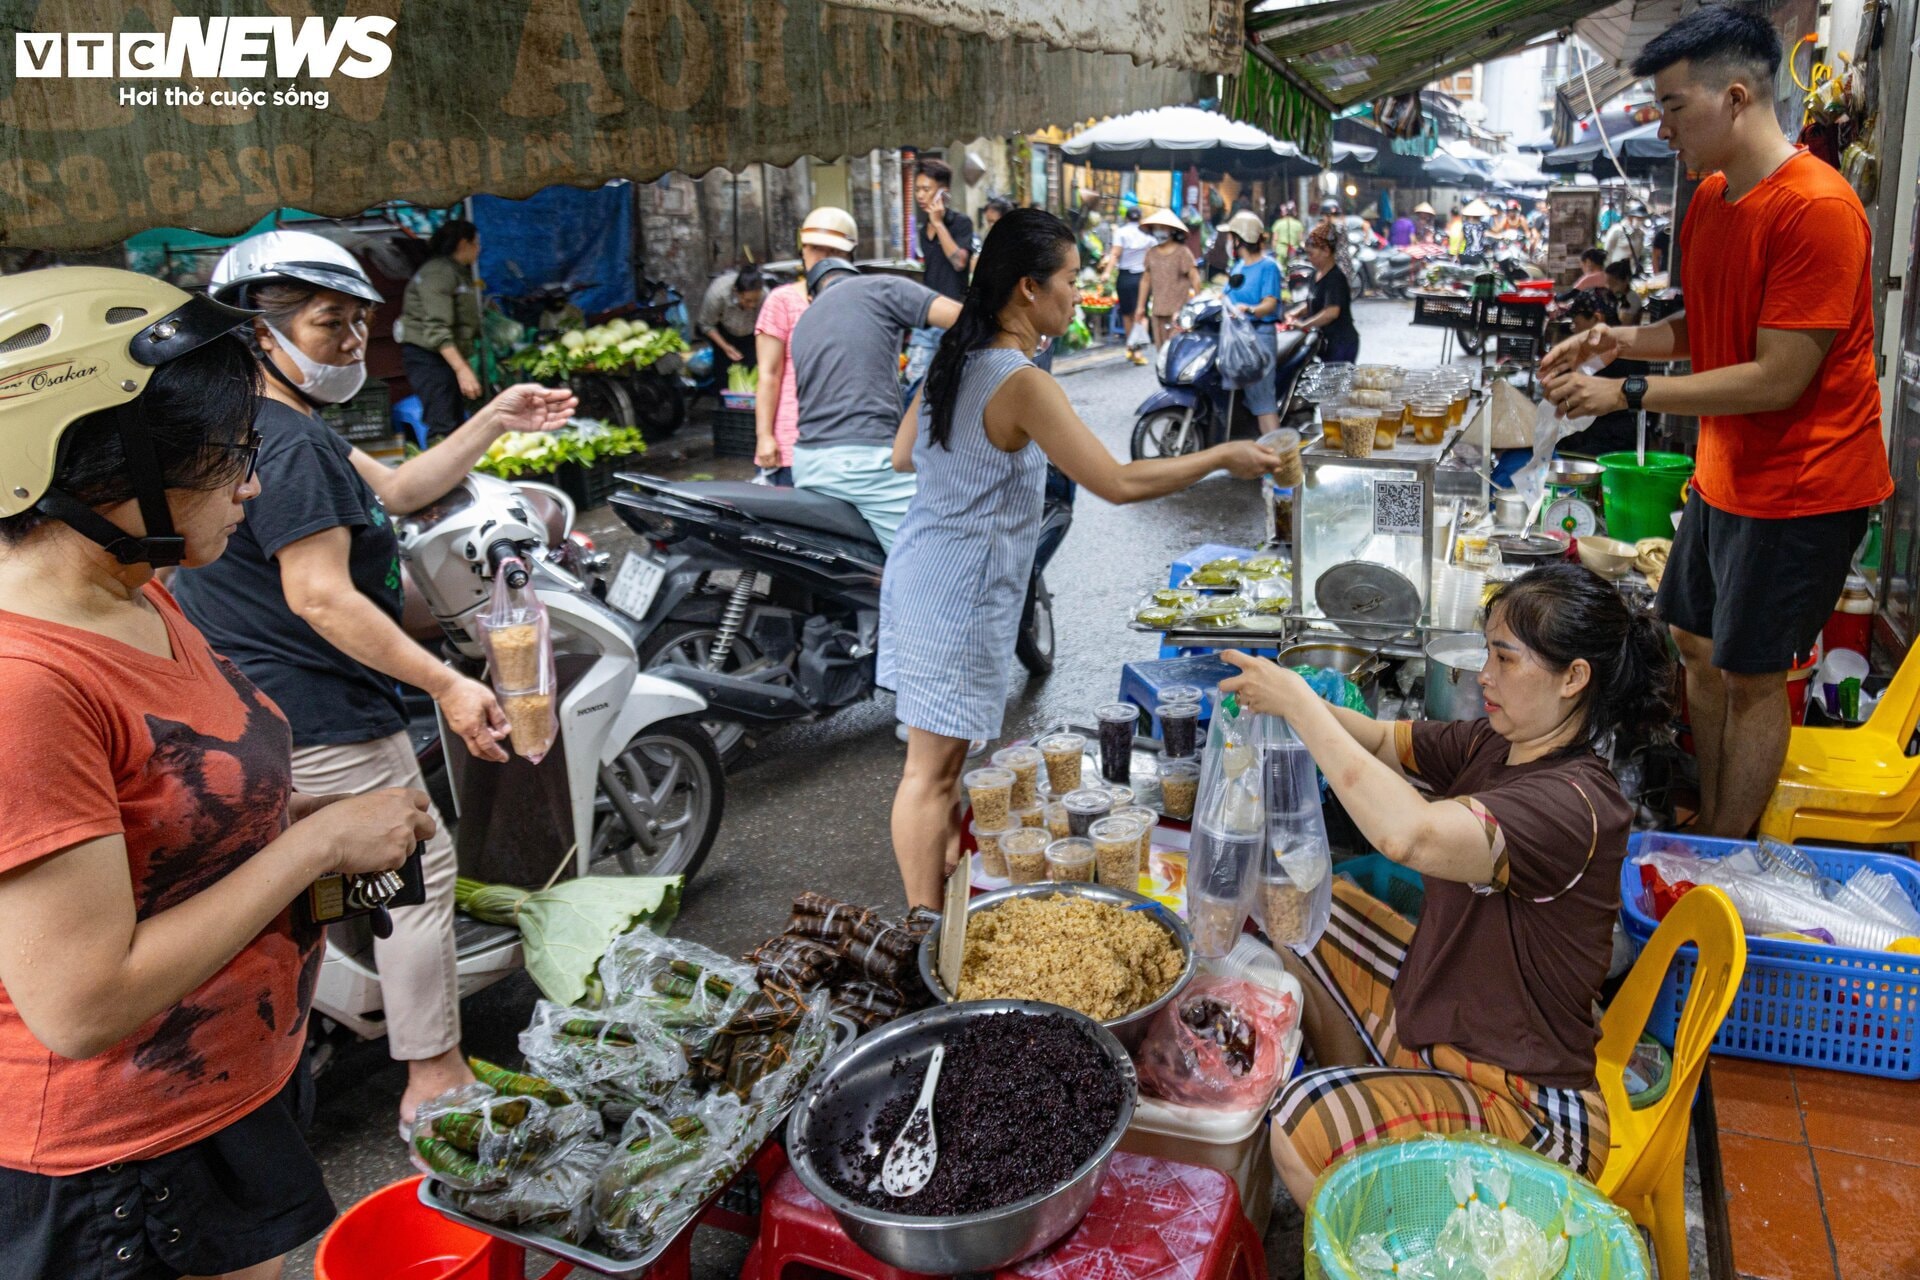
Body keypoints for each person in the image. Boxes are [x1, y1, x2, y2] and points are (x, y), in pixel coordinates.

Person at [0, 266, 437, 1278]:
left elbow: (166, 825)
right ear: (108, 468)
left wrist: (299, 821)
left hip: (228, 1090)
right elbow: (82, 1000)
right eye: (228, 454)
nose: (250, 481)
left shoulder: (142, 589)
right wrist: (315, 847)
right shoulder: (27, 684)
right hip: (118, 1162)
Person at [173, 231, 575, 1130]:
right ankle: (433, 1073)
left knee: (324, 882)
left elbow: (397, 492)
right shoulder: (292, 446)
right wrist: (446, 684)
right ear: (253, 330)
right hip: (319, 708)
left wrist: (494, 419)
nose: (353, 340)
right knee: (414, 866)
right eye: (329, 323)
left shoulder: (249, 420)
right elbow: (319, 596)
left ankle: (310, 1026)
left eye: (360, 322)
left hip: (244, 705)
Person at [1217, 564, 1674, 1205]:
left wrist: (1296, 701)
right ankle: (1377, 1097)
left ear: (1574, 678)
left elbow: (1410, 837)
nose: (1484, 674)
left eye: (1505, 659)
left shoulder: (1572, 804)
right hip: (1451, 1025)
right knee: (1300, 907)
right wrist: (1294, 700)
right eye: (1488, 652)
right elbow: (1380, 741)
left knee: (1298, 1122)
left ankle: (1390, 1220)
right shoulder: (1498, 742)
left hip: (1530, 1107)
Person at [1542, 3, 1891, 839]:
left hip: (1808, 485)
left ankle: (1724, 851)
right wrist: (1619, 340)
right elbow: (1710, 326)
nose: (1660, 126)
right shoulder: (1709, 201)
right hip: (1727, 475)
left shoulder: (1818, 209)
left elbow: (1777, 377)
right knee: (1692, 645)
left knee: (1752, 676)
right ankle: (1709, 813)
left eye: (1672, 106)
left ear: (1736, 97)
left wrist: (1628, 395)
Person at [879, 210, 1286, 907]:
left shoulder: (958, 356)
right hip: (957, 596)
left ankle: (940, 909)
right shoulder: (1019, 379)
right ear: (1028, 289)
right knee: (931, 775)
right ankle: (919, 932)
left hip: (929, 574)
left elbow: (902, 452)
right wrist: (1223, 456)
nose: (1078, 293)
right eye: (1070, 280)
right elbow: (1119, 483)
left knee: (943, 770)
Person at [787, 252, 962, 552]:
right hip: (863, 463)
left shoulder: (804, 323)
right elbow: (967, 321)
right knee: (937, 562)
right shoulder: (881, 288)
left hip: (808, 464)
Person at [756, 210, 855, 487]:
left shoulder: (859, 300)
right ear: (803, 250)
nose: (822, 257)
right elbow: (769, 374)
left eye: (833, 250)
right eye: (814, 248)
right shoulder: (782, 301)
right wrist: (765, 436)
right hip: (793, 442)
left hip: (847, 444)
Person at [397, 218, 483, 440]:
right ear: (464, 243)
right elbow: (437, 329)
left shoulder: (456, 272)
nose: (479, 249)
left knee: (456, 421)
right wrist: (462, 369)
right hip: (429, 357)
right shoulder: (438, 273)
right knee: (443, 422)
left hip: (446, 356)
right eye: (477, 243)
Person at [905, 158, 974, 389]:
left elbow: (959, 262)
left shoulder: (961, 223)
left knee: (954, 386)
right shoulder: (923, 230)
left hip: (954, 317)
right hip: (926, 315)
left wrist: (939, 224)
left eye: (926, 189)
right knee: (916, 383)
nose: (920, 196)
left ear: (943, 192)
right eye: (917, 189)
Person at [1555, 291, 1647, 457]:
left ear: (1597, 318)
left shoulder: (1607, 353)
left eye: (1576, 323)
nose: (1574, 329)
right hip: (1615, 433)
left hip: (1612, 440)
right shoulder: (1624, 343)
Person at [1219, 210, 1285, 435]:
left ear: (1238, 239)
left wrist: (1251, 309)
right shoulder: (1238, 267)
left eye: (1230, 237)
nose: (1228, 242)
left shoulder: (1268, 267)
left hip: (1258, 338)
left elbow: (1270, 304)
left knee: (1262, 401)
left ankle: (1276, 461)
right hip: (1236, 337)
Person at [1285, 225, 1361, 365]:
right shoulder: (1316, 274)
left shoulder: (1335, 278)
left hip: (1341, 343)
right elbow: (1313, 301)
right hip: (1325, 342)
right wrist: (1295, 313)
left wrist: (1303, 324)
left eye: (1312, 254)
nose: (1309, 258)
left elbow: (1331, 312)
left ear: (1326, 251)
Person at [1135, 208, 1200, 349]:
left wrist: (1197, 303)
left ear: (1171, 230)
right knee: (1161, 351)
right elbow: (1145, 280)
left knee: (1176, 349)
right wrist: (1140, 307)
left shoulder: (1182, 252)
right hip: (1158, 310)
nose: (1159, 231)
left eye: (1163, 228)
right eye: (1156, 228)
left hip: (1179, 311)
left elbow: (1194, 277)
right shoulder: (1151, 253)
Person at [697, 265, 766, 392]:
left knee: (751, 369)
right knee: (723, 375)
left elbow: (766, 327)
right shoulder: (718, 293)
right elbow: (706, 324)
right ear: (736, 292)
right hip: (724, 332)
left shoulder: (764, 296)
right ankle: (725, 406)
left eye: (755, 301)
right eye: (747, 301)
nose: (752, 305)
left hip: (750, 334)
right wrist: (725, 347)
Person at [1103, 207, 1156, 356]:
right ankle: (1139, 349)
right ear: (1140, 218)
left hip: (1125, 277)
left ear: (1126, 218)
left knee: (1127, 314)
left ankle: (1130, 347)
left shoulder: (1121, 232)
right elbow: (1151, 256)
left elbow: (1115, 254)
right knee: (1142, 313)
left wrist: (1107, 273)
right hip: (1143, 277)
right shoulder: (1148, 234)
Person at [1602, 199, 1650, 275]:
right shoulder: (1617, 230)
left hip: (1631, 273)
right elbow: (1607, 252)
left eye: (1642, 218)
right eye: (1638, 218)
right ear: (1630, 217)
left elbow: (1639, 253)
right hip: (1616, 273)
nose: (1641, 221)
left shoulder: (1640, 233)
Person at [1605, 258, 1644, 326]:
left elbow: (1622, 325)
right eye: (1608, 284)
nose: (1610, 288)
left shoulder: (1631, 298)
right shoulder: (1619, 296)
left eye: (1613, 284)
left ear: (1626, 280)